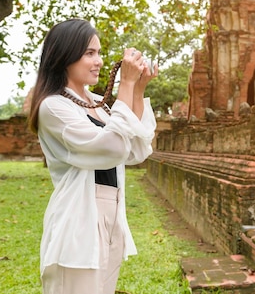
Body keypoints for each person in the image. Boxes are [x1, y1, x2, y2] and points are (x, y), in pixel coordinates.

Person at [27, 18, 158, 294]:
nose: (98, 61)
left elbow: (133, 149)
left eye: (98, 53)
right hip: (79, 220)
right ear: (64, 56)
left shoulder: (97, 105)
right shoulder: (53, 107)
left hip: (113, 216)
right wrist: (126, 85)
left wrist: (138, 88)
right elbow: (110, 147)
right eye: (89, 53)